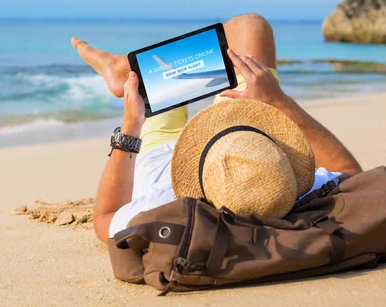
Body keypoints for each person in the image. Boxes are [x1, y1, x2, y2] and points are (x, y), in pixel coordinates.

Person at [71, 13, 362, 243]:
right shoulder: (280, 191)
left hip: (162, 155)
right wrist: (277, 100)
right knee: (250, 26)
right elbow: (352, 173)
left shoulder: (164, 208)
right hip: (242, 141)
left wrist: (131, 125)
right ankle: (127, 70)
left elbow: (104, 218)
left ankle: (124, 72)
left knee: (154, 83)